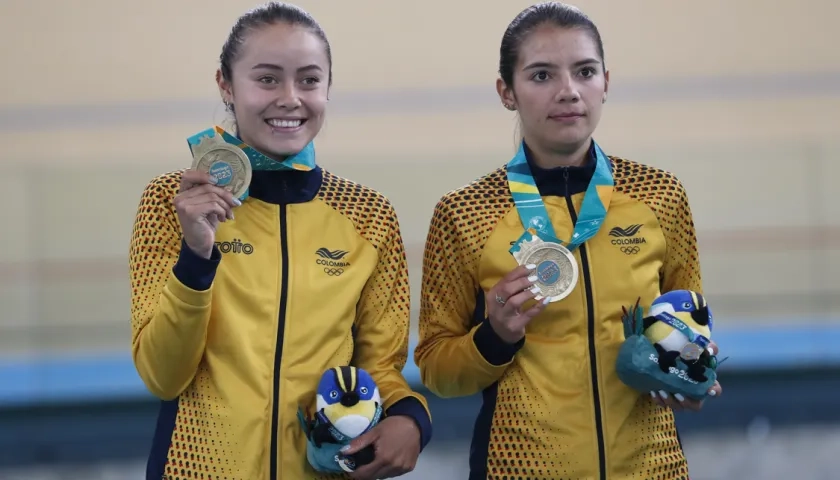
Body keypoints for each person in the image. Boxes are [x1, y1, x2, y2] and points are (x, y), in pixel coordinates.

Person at [413, 3, 722, 479]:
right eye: (541, 75)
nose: (569, 91)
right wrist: (494, 337)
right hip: (518, 468)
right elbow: (436, 369)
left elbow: (691, 316)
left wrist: (691, 369)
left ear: (606, 82)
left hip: (652, 467)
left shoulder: (660, 196)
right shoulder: (465, 213)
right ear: (506, 91)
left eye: (584, 71)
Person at [128, 3, 431, 479]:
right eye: (267, 79)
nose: (290, 98)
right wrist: (196, 256)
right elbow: (161, 375)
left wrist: (413, 419)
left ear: (328, 87)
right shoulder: (172, 202)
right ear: (226, 85)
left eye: (309, 80)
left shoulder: (368, 215)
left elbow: (381, 369)